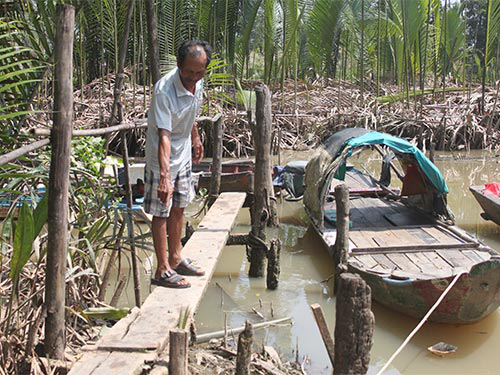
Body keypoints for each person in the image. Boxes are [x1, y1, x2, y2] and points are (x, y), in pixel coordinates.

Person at [144, 40, 212, 288]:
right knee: (161, 209)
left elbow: (192, 110)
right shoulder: (164, 90)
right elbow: (163, 134)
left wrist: (195, 137)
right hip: (162, 155)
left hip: (183, 151)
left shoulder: (198, 80)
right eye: (189, 72)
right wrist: (164, 177)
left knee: (180, 204)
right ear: (179, 65)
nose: (193, 77)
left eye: (199, 72)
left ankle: (175, 257)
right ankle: (162, 269)